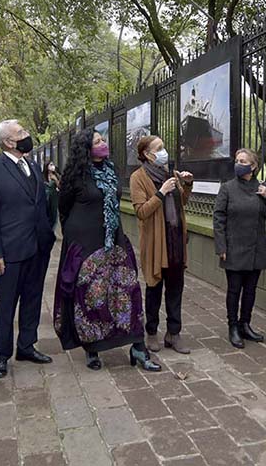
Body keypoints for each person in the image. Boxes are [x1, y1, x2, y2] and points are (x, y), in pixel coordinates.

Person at [55, 129, 160, 372]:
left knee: (128, 291)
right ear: (86, 149)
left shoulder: (111, 170)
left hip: (115, 242)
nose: (104, 143)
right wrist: (74, 244)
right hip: (86, 244)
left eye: (103, 139)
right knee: (91, 296)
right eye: (98, 141)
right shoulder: (76, 176)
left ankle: (137, 346)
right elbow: (64, 209)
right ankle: (92, 347)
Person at [0, 120, 55, 379]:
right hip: (9, 253)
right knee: (7, 304)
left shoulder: (32, 165)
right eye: (21, 133)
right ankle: (2, 354)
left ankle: (26, 345)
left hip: (37, 247)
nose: (27, 135)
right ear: (9, 142)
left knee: (33, 299)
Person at [130, 136, 193, 354]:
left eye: (164, 147)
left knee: (176, 289)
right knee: (154, 289)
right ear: (147, 154)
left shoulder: (170, 174)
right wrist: (161, 192)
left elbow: (182, 202)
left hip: (175, 241)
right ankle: (151, 332)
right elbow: (141, 212)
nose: (164, 151)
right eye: (159, 148)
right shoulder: (138, 177)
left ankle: (173, 334)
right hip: (156, 244)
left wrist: (187, 184)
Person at [213, 148, 266, 348]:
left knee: (250, 290)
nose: (238, 163)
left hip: (256, 248)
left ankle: (245, 324)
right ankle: (233, 326)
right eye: (237, 160)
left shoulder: (261, 187)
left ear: (253, 166)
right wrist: (221, 246)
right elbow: (218, 218)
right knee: (234, 290)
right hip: (234, 247)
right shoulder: (227, 188)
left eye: (242, 160)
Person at [43, 161, 61, 230]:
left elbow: (60, 186)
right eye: (50, 164)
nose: (52, 166)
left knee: (54, 215)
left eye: (53, 164)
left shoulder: (56, 175)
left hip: (54, 198)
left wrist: (55, 180)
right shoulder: (43, 176)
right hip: (46, 199)